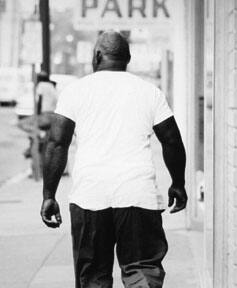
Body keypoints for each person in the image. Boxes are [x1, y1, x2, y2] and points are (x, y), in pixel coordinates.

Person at [40, 30, 187, 288]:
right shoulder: (149, 92)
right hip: (138, 195)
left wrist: (49, 195)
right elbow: (172, 140)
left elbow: (56, 143)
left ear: (97, 56)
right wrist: (178, 183)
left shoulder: (75, 91)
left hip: (90, 197)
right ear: (128, 58)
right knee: (142, 274)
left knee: (94, 278)